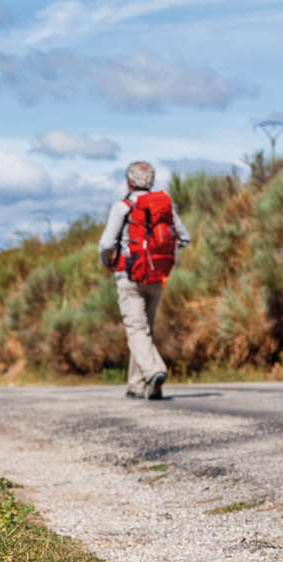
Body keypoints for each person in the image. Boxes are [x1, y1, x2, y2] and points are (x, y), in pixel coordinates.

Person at [98, 161, 191, 400]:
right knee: (144, 330)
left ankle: (154, 371)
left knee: (136, 329)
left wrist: (107, 262)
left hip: (129, 275)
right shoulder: (163, 206)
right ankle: (136, 384)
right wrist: (161, 253)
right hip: (157, 276)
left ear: (129, 181)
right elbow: (185, 238)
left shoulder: (123, 207)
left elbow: (107, 244)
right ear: (151, 180)